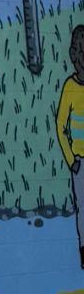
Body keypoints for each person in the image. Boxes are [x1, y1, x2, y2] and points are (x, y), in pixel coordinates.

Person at [56, 25, 84, 271]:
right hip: (81, 163)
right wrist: (71, 160)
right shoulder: (70, 87)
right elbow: (60, 124)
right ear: (74, 55)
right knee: (83, 209)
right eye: (81, 52)